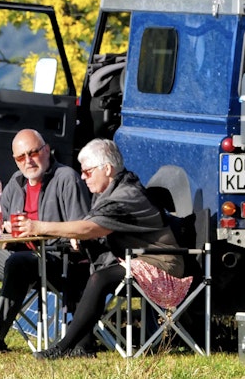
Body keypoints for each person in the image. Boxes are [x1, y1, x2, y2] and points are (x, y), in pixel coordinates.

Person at [18, 138, 189, 360]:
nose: (82, 177)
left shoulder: (127, 195)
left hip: (162, 265)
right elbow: (91, 223)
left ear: (106, 169)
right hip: (131, 260)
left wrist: (39, 227)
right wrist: (78, 236)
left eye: (87, 172)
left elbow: (91, 227)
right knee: (78, 269)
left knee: (100, 278)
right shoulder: (108, 190)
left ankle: (62, 348)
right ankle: (83, 346)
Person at [0, 128, 92, 354]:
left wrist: (39, 229)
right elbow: (1, 227)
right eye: (21, 157)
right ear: (15, 160)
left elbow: (81, 231)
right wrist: (4, 229)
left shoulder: (66, 178)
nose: (28, 161)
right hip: (20, 256)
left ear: (47, 150)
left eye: (33, 153)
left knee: (19, 262)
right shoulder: (15, 182)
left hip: (59, 262)